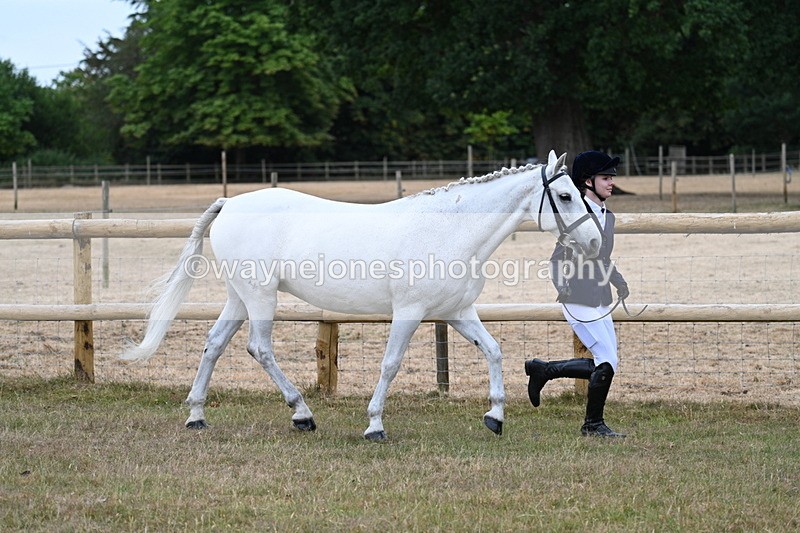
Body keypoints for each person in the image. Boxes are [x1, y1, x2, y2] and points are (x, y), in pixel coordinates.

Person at [525, 150, 629, 437]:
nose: (611, 183)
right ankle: (592, 425)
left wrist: (618, 281)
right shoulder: (574, 215)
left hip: (600, 298)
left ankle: (544, 369)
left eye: (611, 178)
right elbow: (555, 260)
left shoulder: (609, 217)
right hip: (576, 299)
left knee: (608, 362)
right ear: (587, 181)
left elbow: (603, 259)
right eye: (606, 178)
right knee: (606, 360)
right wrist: (563, 287)